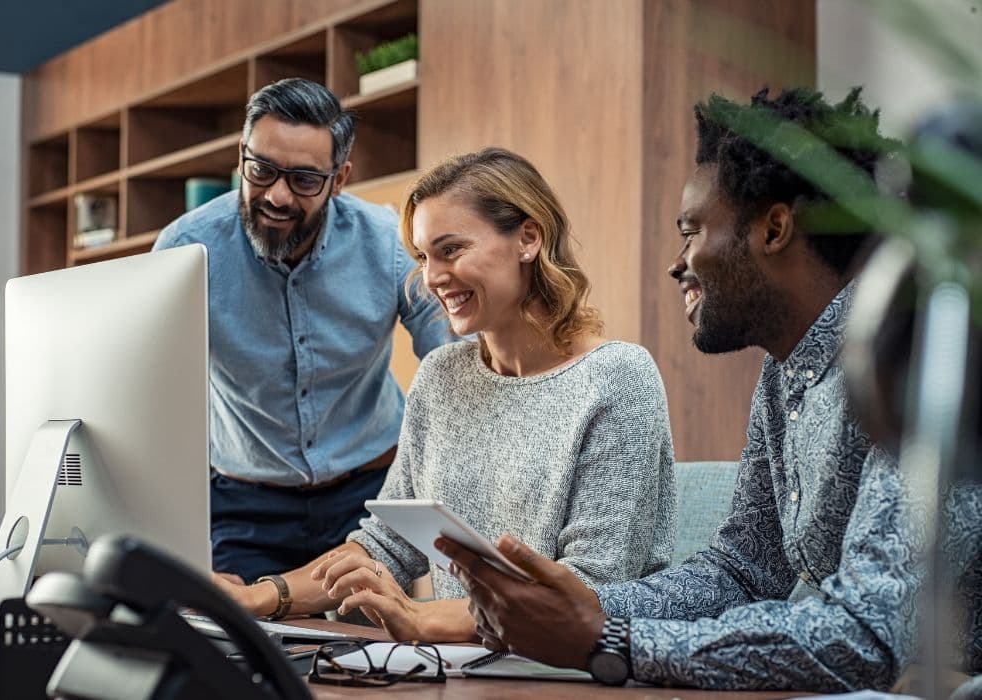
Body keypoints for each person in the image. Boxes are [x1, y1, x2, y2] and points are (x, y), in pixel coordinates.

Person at [440, 87, 946, 691]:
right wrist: (585, 612)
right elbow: (742, 570)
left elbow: (862, 635)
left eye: (692, 231)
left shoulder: (919, 358)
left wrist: (610, 640)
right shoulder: (787, 372)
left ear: (775, 228)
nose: (678, 264)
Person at [213, 147, 676, 642]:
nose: (431, 278)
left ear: (528, 238)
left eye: (451, 250)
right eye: (423, 257)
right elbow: (385, 545)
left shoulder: (619, 378)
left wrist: (420, 618)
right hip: (458, 663)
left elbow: (589, 592)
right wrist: (260, 597)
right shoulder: (440, 376)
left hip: (575, 670)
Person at [152, 78, 454, 582]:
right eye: (262, 170)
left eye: (304, 180)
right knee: (242, 647)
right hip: (244, 506)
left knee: (367, 654)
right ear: (241, 153)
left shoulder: (386, 245)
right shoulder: (185, 250)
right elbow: (150, 390)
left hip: (370, 499)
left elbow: (454, 363)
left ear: (339, 179)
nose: (276, 195)